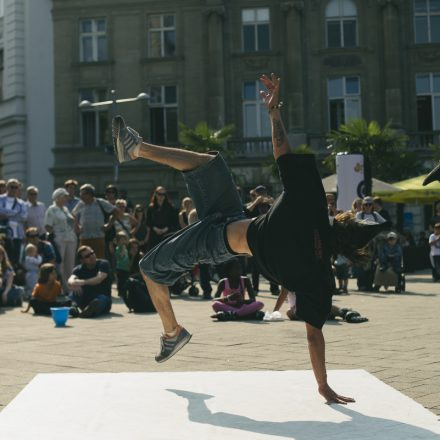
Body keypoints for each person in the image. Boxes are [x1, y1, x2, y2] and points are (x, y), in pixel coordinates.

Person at [112, 73, 386, 403]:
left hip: (216, 241)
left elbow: (282, 150)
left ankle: (173, 332)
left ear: (343, 219)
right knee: (208, 164)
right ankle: (136, 148)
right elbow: (314, 336)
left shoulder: (312, 203)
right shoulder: (320, 277)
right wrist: (323, 385)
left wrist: (274, 112)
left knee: (148, 267)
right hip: (232, 216)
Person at [44, 188, 77, 294]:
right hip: (59, 239)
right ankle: (60, 288)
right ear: (57, 198)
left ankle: (69, 288)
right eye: (64, 196)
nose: (67, 198)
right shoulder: (52, 209)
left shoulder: (66, 209)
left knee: (70, 264)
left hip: (70, 239)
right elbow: (48, 226)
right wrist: (53, 237)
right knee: (60, 264)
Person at [72, 184, 116, 259]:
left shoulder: (100, 202)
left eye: (83, 194)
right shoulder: (81, 204)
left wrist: (109, 225)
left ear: (90, 194)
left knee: (99, 259)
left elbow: (115, 211)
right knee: (84, 259)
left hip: (98, 237)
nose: (80, 196)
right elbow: (73, 214)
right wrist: (77, 226)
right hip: (84, 237)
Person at [67, 245, 112, 318]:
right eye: (87, 256)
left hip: (102, 299)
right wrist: (75, 285)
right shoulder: (78, 269)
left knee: (101, 299)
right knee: (74, 290)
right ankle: (74, 308)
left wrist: (81, 282)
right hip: (85, 300)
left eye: (92, 253)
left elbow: (99, 279)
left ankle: (91, 310)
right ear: (82, 260)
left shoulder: (103, 264)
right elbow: (70, 280)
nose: (91, 256)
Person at [0, 179, 28, 266]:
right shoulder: (1, 199)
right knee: (2, 259)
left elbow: (24, 217)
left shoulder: (21, 203)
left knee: (14, 261)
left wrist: (6, 213)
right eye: (11, 187)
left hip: (17, 235)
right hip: (2, 234)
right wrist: (15, 213)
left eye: (16, 187)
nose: (14, 189)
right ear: (7, 188)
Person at [145, 186, 179, 250]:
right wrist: (155, 228)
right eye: (159, 194)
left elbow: (174, 221)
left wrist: (165, 229)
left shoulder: (170, 207)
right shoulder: (151, 207)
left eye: (163, 194)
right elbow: (148, 221)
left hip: (167, 234)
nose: (161, 196)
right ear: (156, 194)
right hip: (154, 235)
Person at [115, 232, 130, 297]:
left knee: (125, 280)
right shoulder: (118, 248)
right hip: (120, 267)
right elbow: (121, 256)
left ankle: (124, 291)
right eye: (121, 240)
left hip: (126, 267)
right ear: (118, 241)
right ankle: (120, 291)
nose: (123, 241)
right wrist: (123, 249)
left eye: (124, 239)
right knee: (121, 280)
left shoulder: (126, 248)